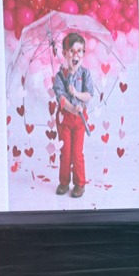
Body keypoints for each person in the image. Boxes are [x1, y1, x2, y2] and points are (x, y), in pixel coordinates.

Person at [53, 32, 94, 198]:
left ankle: (79, 183)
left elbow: (89, 95)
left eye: (80, 51)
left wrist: (76, 94)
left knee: (77, 153)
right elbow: (61, 98)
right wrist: (71, 108)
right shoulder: (60, 76)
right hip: (64, 119)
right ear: (65, 53)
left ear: (84, 53)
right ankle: (64, 182)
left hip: (79, 121)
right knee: (66, 153)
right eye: (72, 51)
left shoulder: (85, 74)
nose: (76, 55)